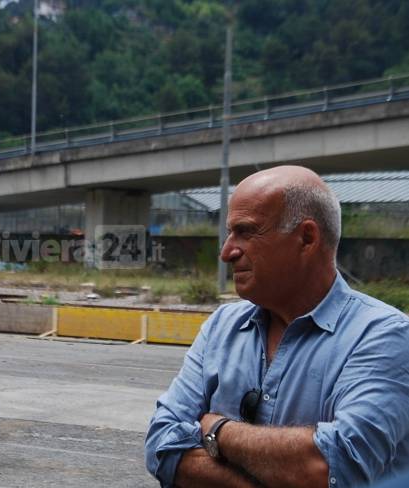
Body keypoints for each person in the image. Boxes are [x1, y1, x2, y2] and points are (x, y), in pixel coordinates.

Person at [145, 165, 409, 487]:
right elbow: (162, 444)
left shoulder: (383, 336)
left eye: (245, 231)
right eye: (229, 233)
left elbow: (329, 468)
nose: (227, 252)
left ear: (307, 238)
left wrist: (218, 431)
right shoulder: (221, 327)